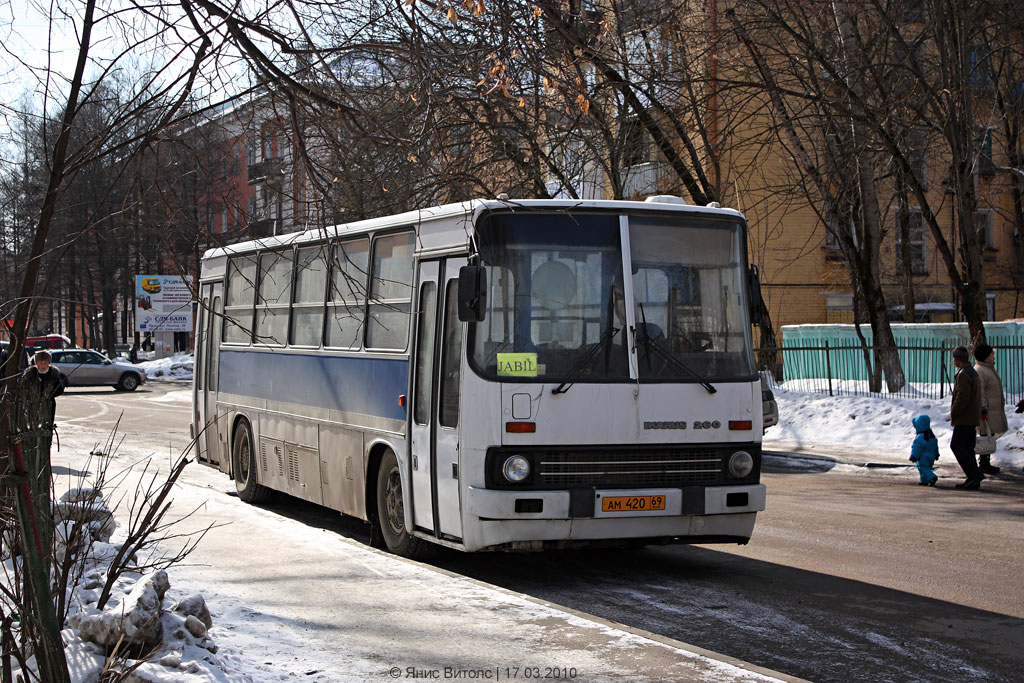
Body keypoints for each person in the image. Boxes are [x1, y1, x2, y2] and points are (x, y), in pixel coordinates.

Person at [949, 346, 983, 490]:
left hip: (965, 417)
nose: (953, 361)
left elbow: (962, 397)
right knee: (968, 448)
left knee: (957, 445)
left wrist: (954, 412)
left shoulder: (964, 374)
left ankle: (974, 475)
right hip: (972, 416)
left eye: (954, 358)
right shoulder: (972, 372)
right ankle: (973, 478)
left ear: (957, 359)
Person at [972, 343, 1006, 475]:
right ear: (985, 357)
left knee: (989, 435)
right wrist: (983, 408)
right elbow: (980, 393)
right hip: (987, 411)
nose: (993, 356)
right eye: (991, 354)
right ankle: (984, 463)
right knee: (986, 435)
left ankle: (985, 461)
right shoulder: (980, 371)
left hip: (993, 410)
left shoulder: (989, 369)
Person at [20, 350, 65, 419]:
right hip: (32, 403)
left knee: (48, 423)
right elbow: (23, 387)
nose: (43, 365)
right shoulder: (30, 373)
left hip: (48, 403)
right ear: (37, 364)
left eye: (45, 363)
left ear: (48, 363)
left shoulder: (53, 373)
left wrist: (49, 394)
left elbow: (59, 388)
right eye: (41, 363)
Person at [909, 414, 939, 486]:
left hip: (923, 457)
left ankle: (932, 477)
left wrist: (914, 456)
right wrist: (936, 454)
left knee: (922, 468)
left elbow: (917, 448)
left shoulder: (919, 437)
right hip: (931, 456)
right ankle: (924, 481)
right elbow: (935, 447)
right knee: (926, 468)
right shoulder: (932, 436)